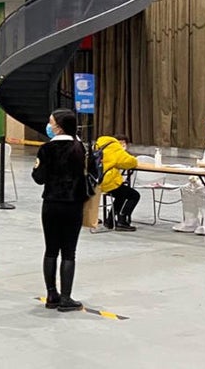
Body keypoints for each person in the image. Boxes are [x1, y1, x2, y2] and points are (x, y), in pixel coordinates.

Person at [32, 108, 90, 313]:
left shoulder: (46, 149)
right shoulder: (79, 148)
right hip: (73, 204)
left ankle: (51, 294)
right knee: (69, 252)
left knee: (50, 250)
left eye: (51, 121)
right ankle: (66, 297)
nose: (49, 125)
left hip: (51, 203)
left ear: (58, 125)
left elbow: (38, 178)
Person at [175, 117, 205, 234]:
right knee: (187, 189)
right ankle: (190, 221)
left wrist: (203, 164)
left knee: (201, 191)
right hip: (204, 175)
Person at [96, 134, 139, 231]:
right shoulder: (116, 149)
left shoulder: (99, 145)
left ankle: (110, 220)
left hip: (96, 181)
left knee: (122, 194)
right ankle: (122, 220)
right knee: (134, 195)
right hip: (108, 181)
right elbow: (131, 162)